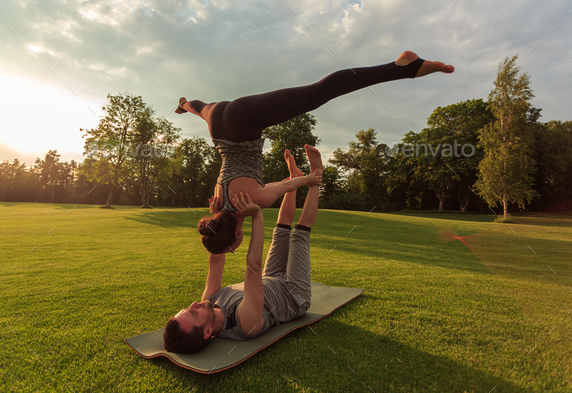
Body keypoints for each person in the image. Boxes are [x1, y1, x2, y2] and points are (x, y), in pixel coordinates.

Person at [177, 51, 454, 255]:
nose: (236, 248)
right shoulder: (219, 200)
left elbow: (286, 186)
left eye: (233, 248)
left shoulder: (255, 202)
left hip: (243, 124)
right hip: (217, 124)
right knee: (198, 106)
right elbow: (277, 185)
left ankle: (402, 67)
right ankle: (183, 104)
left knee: (316, 94)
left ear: (237, 234)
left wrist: (310, 179)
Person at [163, 145, 325, 354]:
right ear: (207, 331)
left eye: (188, 308)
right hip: (293, 294)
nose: (195, 303)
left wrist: (217, 219)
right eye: (193, 313)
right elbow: (253, 266)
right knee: (299, 236)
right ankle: (316, 177)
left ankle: (295, 178)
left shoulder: (209, 301)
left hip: (270, 278)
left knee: (281, 230)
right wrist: (256, 215)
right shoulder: (245, 324)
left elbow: (216, 259)